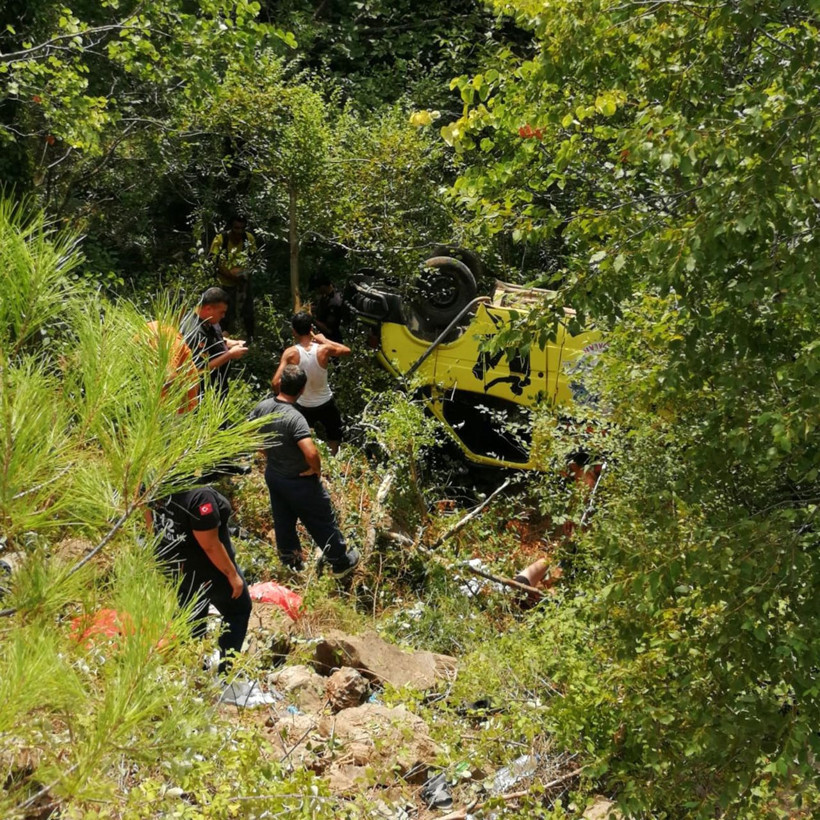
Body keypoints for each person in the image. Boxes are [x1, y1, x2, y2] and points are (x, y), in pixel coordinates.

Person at [249, 364, 360, 576]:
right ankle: (340, 562)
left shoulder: (262, 406)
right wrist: (315, 470)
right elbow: (310, 452)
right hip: (298, 480)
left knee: (283, 520)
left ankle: (292, 563)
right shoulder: (295, 418)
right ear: (302, 390)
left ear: (280, 383)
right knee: (320, 518)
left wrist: (266, 452)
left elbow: (248, 433)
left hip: (274, 475)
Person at [147, 483, 251, 675]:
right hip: (208, 569)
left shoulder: (155, 480)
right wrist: (232, 575)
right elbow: (210, 544)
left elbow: (150, 519)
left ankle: (193, 671)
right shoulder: (199, 496)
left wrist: (161, 551)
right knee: (239, 610)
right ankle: (227, 674)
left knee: (192, 613)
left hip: (174, 564)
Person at [272, 312, 350, 455]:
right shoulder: (323, 349)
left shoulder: (290, 353)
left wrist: (286, 399)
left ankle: (308, 462)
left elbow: (276, 382)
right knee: (334, 435)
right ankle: (332, 461)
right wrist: (324, 339)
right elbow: (346, 350)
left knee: (303, 437)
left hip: (302, 404)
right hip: (325, 402)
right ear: (311, 328)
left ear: (294, 331)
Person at [180, 287, 249, 398]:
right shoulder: (193, 332)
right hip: (203, 394)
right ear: (208, 309)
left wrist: (230, 343)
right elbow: (199, 370)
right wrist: (230, 355)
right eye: (221, 312)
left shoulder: (210, 320)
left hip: (218, 388)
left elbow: (213, 339)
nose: (223, 316)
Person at [209, 215, 258, 339]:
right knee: (224, 313)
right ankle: (221, 339)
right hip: (225, 282)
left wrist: (242, 273)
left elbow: (254, 259)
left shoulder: (248, 239)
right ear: (231, 228)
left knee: (248, 312)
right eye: (236, 228)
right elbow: (213, 261)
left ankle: (250, 338)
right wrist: (230, 274)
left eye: (242, 228)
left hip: (243, 281)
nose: (239, 232)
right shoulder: (220, 240)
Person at [310, 273, 347, 343]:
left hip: (332, 342)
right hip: (322, 339)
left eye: (316, 289)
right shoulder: (325, 296)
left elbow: (329, 330)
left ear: (322, 287)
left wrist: (311, 319)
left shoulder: (335, 302)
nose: (316, 291)